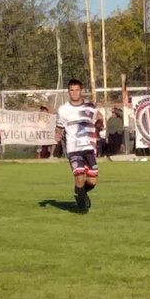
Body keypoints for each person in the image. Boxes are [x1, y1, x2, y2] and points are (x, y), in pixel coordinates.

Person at [55, 78, 101, 214]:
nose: (74, 93)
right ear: (68, 92)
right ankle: (81, 208)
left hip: (89, 148)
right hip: (73, 149)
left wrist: (99, 125)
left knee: (92, 181)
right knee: (79, 176)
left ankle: (80, 192)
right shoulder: (63, 110)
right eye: (71, 90)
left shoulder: (90, 107)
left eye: (77, 90)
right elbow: (59, 127)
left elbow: (98, 120)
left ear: (81, 91)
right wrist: (57, 134)